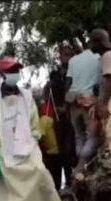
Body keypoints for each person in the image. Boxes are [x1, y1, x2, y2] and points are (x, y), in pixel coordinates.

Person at [0, 56, 64, 201]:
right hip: (3, 151)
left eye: (16, 71)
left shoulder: (26, 96)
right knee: (2, 190)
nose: (15, 74)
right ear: (3, 74)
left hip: (27, 148)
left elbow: (34, 123)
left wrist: (34, 137)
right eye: (11, 71)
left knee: (40, 173)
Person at [41, 44, 76, 188]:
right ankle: (55, 187)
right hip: (56, 118)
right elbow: (47, 95)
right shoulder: (54, 74)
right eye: (64, 55)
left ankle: (71, 182)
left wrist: (67, 107)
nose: (66, 58)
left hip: (71, 117)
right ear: (60, 57)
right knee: (55, 152)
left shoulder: (75, 73)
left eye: (69, 55)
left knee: (70, 151)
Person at [65, 45, 100, 176]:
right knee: (92, 136)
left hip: (74, 101)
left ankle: (81, 165)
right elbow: (100, 83)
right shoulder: (97, 58)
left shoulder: (73, 60)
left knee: (79, 136)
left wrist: (69, 104)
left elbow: (68, 84)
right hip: (90, 102)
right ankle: (82, 164)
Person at [89, 29, 111, 120]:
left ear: (98, 43)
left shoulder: (108, 56)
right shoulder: (105, 57)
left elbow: (109, 80)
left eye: (92, 43)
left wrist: (105, 104)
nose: (90, 46)